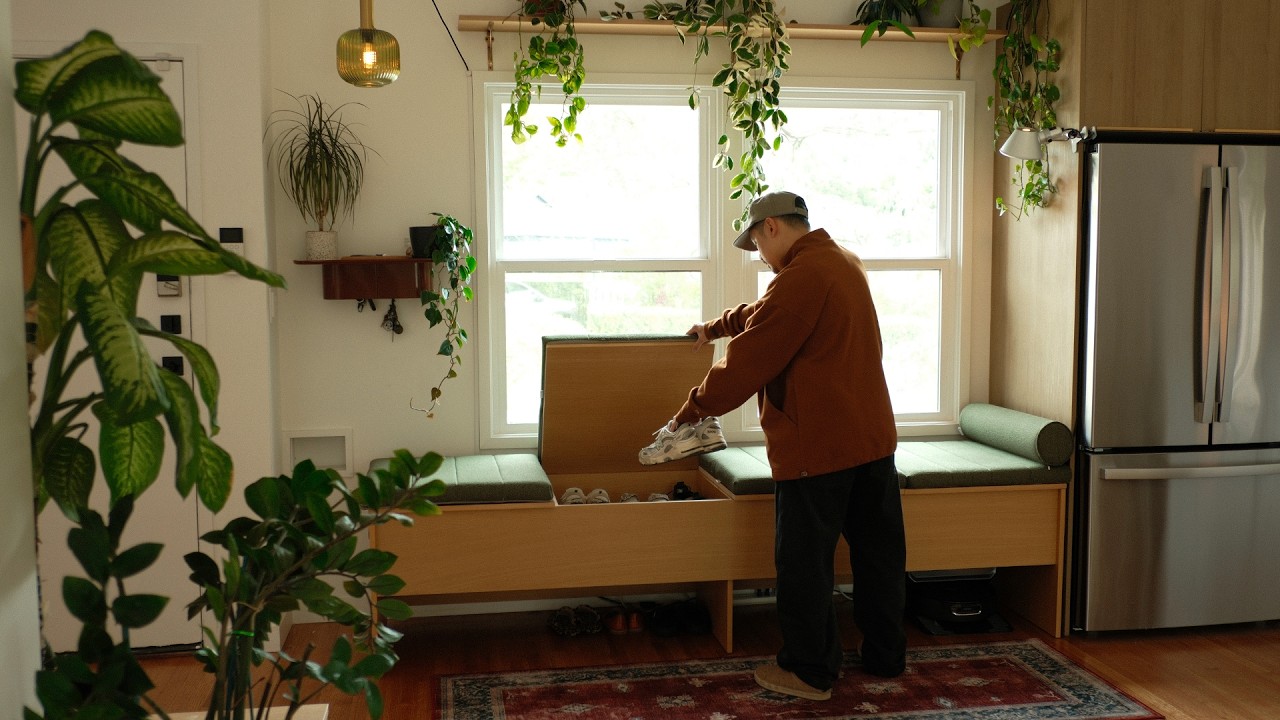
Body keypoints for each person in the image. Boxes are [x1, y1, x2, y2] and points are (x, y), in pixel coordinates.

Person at [667, 191, 906, 701]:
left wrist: (690, 412)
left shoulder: (803, 277)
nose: (758, 253)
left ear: (771, 226)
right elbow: (765, 312)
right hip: (873, 440)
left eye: (755, 241)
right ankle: (886, 656)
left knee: (803, 564)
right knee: (878, 556)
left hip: (817, 449)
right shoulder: (839, 262)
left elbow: (750, 359)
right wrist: (715, 327)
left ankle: (808, 671)